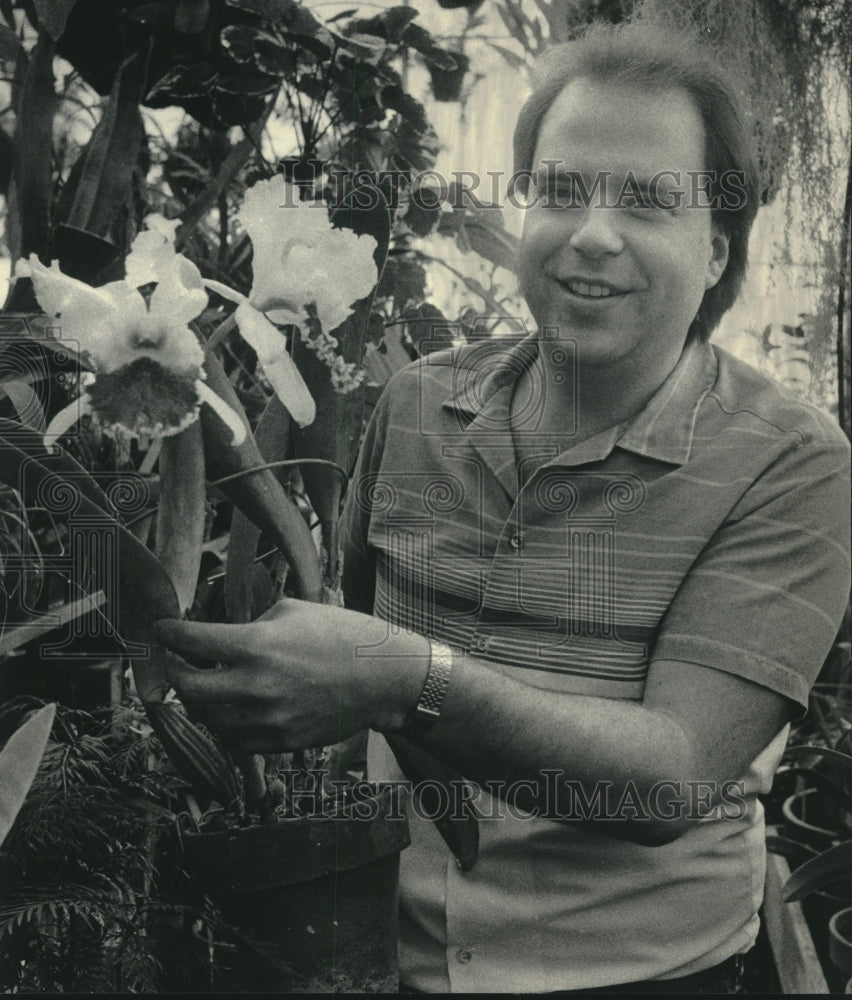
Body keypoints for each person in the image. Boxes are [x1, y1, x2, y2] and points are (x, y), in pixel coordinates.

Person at [156, 21, 851, 994]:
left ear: (717, 247)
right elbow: (356, 633)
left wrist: (410, 678)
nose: (593, 234)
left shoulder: (789, 461)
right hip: (372, 948)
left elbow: (674, 776)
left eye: (648, 203)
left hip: (638, 975)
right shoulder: (415, 405)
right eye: (561, 190)